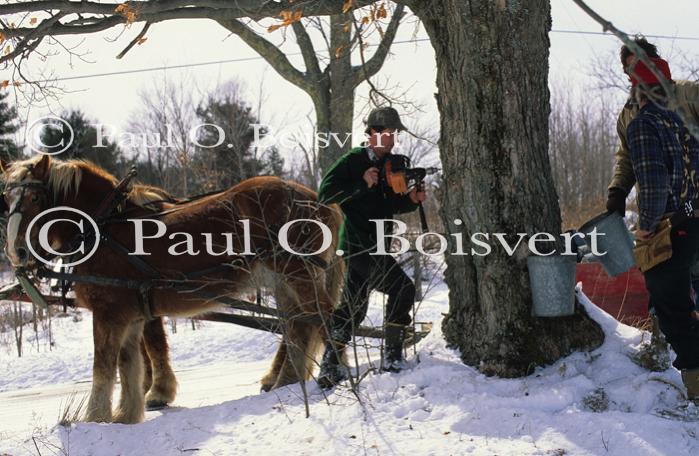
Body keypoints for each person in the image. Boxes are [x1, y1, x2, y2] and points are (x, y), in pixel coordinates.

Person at [316, 106, 426, 388]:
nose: (392, 139)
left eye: (394, 134)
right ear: (373, 133)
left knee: (353, 309)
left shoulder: (391, 164)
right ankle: (391, 358)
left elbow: (390, 204)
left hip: (376, 246)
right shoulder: (352, 161)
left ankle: (328, 369)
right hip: (359, 246)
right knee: (403, 289)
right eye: (388, 134)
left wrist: (411, 200)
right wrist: (361, 183)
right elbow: (325, 193)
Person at [626, 58, 699, 402]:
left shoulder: (643, 125)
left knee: (673, 312)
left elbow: (653, 184)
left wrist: (645, 227)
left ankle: (697, 387)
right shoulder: (683, 121)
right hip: (692, 222)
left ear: (637, 89)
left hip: (668, 229)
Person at [606, 37, 699, 305]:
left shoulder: (686, 94)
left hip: (693, 206)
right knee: (667, 282)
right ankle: (667, 339)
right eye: (629, 67)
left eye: (639, 62)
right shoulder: (629, 114)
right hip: (660, 213)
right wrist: (618, 190)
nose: (634, 70)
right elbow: (626, 156)